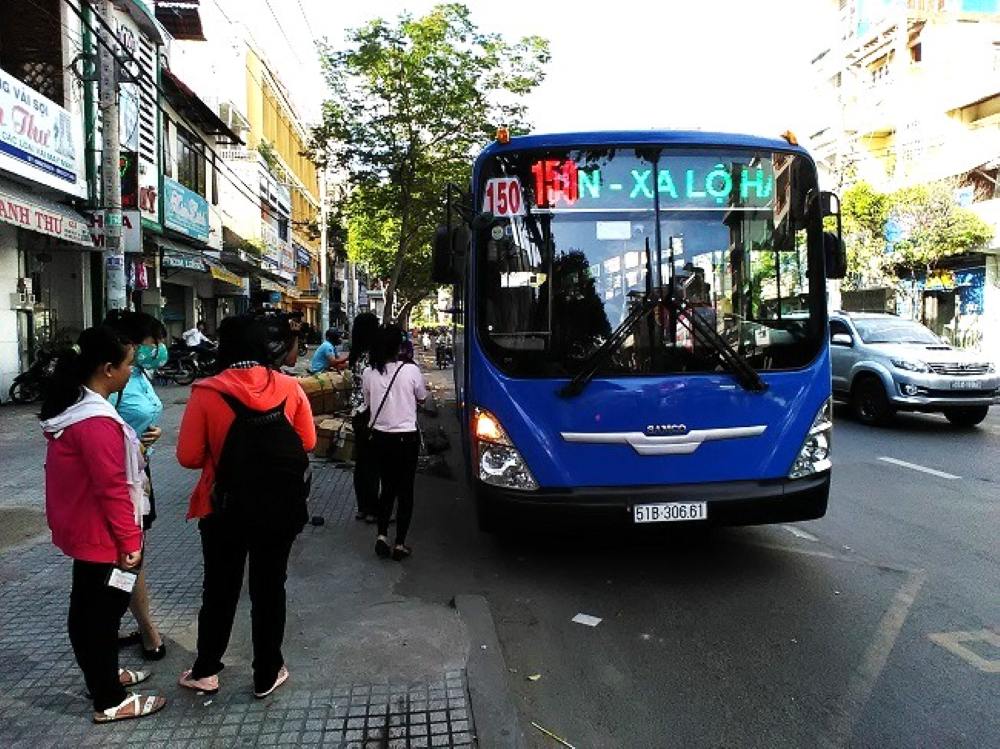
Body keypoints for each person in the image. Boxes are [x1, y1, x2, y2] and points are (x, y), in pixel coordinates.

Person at [176, 314, 316, 698]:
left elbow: (188, 456)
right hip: (278, 507)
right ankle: (267, 673)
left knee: (219, 589)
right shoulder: (289, 387)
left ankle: (206, 670)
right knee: (269, 589)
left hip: (224, 508)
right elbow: (307, 442)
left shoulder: (207, 391)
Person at [39, 326, 167, 723]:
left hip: (85, 528)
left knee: (88, 611)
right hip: (102, 534)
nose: (131, 372)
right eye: (128, 364)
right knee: (100, 616)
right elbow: (112, 488)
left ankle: (102, 677)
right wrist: (130, 542)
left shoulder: (79, 409)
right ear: (107, 369)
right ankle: (109, 700)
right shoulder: (95, 421)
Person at [104, 311, 168, 661]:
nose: (158, 349)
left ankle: (116, 624)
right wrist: (134, 447)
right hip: (120, 479)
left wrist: (148, 440)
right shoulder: (110, 384)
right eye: (152, 342)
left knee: (130, 554)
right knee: (127, 556)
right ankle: (144, 630)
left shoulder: (139, 374)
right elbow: (104, 435)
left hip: (139, 473)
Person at [363, 324, 427, 561]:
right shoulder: (411, 370)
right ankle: (399, 543)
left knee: (387, 487)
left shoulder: (369, 372)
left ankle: (381, 536)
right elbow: (422, 397)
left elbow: (367, 403)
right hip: (406, 438)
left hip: (380, 437)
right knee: (405, 490)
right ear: (398, 347)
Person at [348, 313, 380, 523]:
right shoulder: (373, 358)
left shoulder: (355, 355)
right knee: (373, 462)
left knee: (361, 461)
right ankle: (373, 510)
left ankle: (362, 507)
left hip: (357, 413)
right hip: (371, 413)